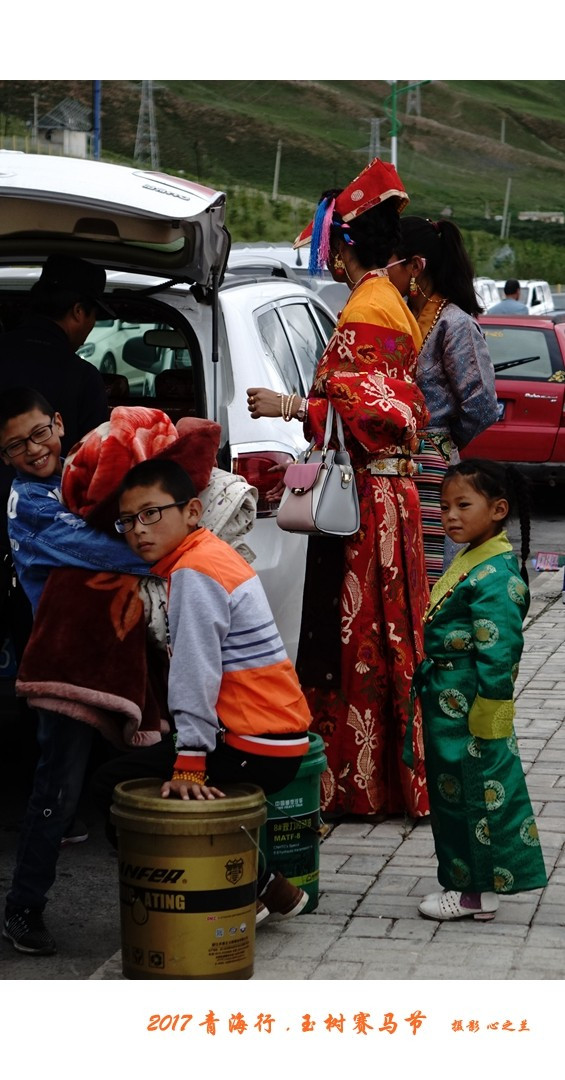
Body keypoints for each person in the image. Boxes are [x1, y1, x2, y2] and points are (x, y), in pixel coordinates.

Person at [246, 158, 431, 820]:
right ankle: (381, 775)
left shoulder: (366, 310)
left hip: (369, 500)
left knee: (357, 640)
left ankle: (360, 781)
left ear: (344, 242)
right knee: (378, 637)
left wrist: (291, 404)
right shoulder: (384, 302)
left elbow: (377, 412)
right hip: (382, 496)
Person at [112, 456, 312, 924]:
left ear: (192, 513)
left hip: (255, 744)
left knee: (115, 787)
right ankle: (269, 890)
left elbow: (195, 675)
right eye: (127, 520)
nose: (139, 530)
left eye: (151, 513)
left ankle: (228, 897)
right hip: (278, 738)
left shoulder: (195, 572)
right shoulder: (208, 555)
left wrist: (191, 764)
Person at [0, 387, 148, 956]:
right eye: (16, 445)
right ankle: (22, 909)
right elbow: (109, 551)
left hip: (119, 657)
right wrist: (165, 540)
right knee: (56, 792)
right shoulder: (31, 505)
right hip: (66, 668)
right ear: (4, 456)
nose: (33, 450)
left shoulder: (84, 472)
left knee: (151, 773)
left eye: (39, 433)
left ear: (58, 424)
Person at [405, 458, 547, 921]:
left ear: (499, 509)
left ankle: (474, 893)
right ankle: (468, 887)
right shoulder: (476, 561)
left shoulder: (497, 575)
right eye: (444, 506)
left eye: (464, 505)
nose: (450, 516)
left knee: (475, 793)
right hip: (450, 695)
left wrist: (490, 710)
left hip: (471, 702)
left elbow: (498, 649)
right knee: (455, 794)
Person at [0, 255, 109, 685]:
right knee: (43, 677)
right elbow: (96, 469)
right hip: (49, 551)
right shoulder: (81, 378)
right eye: (93, 316)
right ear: (79, 311)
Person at [386, 216, 499, 585]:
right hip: (398, 465)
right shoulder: (400, 317)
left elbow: (481, 405)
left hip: (432, 469)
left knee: (430, 578)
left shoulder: (455, 323)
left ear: (416, 266)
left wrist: (440, 441)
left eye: (390, 261)